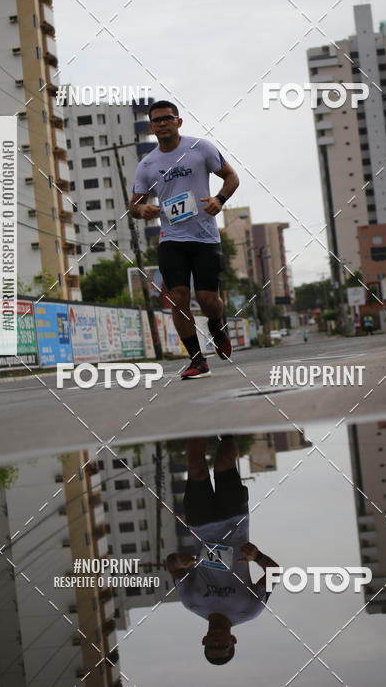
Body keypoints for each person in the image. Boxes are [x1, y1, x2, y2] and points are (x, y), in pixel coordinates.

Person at [129, 101, 239, 379]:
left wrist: (219, 199)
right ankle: (197, 359)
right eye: (157, 120)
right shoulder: (147, 164)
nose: (162, 124)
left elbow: (231, 177)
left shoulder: (200, 148)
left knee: (207, 299)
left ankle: (217, 325)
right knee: (177, 297)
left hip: (205, 237)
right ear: (151, 127)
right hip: (171, 239)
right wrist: (143, 209)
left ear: (178, 122)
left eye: (168, 118)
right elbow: (134, 206)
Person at [166, 436, 277, 665]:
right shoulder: (249, 609)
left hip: (201, 524)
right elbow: (274, 573)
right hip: (235, 520)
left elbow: (171, 565)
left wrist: (180, 561)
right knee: (225, 458)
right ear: (232, 640)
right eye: (222, 646)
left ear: (204, 640)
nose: (217, 641)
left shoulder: (192, 602)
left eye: (212, 646)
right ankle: (226, 425)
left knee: (196, 468)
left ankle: (197, 420)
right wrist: (257, 557)